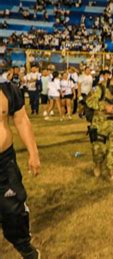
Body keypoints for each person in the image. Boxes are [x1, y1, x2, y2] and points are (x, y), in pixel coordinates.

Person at [0, 75, 41, 258]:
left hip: (4, 164)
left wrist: (33, 153)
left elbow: (21, 120)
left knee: (14, 211)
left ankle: (26, 249)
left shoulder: (7, 90)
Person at [86, 65, 113, 181]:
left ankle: (111, 170)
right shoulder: (101, 87)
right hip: (100, 123)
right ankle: (97, 165)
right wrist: (104, 106)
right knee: (99, 149)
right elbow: (89, 101)